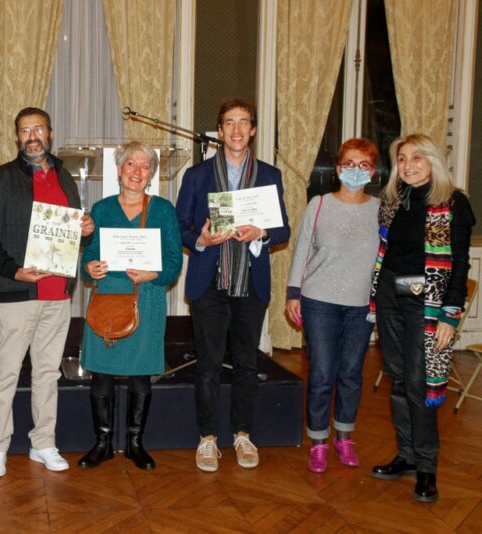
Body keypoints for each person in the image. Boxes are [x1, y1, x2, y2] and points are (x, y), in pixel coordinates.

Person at [0, 107, 94, 477]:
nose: (32, 136)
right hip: (15, 293)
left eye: (38, 129)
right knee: (6, 373)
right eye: (25, 131)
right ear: (16, 138)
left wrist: (85, 232)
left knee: (47, 374)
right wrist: (14, 270)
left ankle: (43, 443)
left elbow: (71, 236)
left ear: (50, 133)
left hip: (58, 295)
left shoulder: (66, 178)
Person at [176, 98, 290, 472]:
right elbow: (181, 227)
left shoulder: (270, 175)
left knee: (245, 364)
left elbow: (283, 229)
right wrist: (201, 241)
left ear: (253, 129)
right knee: (208, 365)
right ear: (219, 131)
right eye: (229, 123)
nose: (237, 130)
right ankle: (207, 438)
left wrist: (263, 232)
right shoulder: (196, 176)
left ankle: (242, 434)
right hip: (209, 280)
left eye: (244, 122)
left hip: (250, 283)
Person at [368, 134, 475, 503]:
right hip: (390, 297)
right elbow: (385, 250)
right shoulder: (392, 201)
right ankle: (407, 455)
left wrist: (450, 313)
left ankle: (427, 467)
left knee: (419, 383)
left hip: (426, 304)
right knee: (398, 378)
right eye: (402, 158)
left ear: (433, 161)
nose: (409, 164)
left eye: (417, 157)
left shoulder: (452, 203)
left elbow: (459, 264)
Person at [77, 142, 182, 470]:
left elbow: (174, 260)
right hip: (107, 297)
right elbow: (90, 256)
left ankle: (135, 443)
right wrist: (89, 268)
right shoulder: (103, 208)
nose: (137, 172)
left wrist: (156, 273)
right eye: (131, 165)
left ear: (151, 174)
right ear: (119, 170)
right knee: (101, 376)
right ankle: (103, 443)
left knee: (140, 375)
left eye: (145, 166)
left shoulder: (163, 209)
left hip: (146, 298)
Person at [285, 138, 380, 473]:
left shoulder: (380, 209)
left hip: (361, 305)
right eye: (350, 164)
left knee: (352, 373)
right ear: (339, 169)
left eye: (364, 165)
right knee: (323, 373)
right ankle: (320, 441)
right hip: (319, 301)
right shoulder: (320, 204)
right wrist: (293, 293)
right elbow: (302, 250)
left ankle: (344, 436)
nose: (356, 171)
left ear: (373, 171)